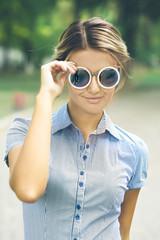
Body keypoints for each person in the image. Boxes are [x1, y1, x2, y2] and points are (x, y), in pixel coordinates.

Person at [4, 17, 148, 240]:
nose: (94, 88)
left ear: (118, 79)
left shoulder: (135, 150)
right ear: (62, 74)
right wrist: (46, 95)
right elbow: (28, 190)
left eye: (107, 76)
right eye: (80, 76)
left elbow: (123, 230)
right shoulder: (22, 131)